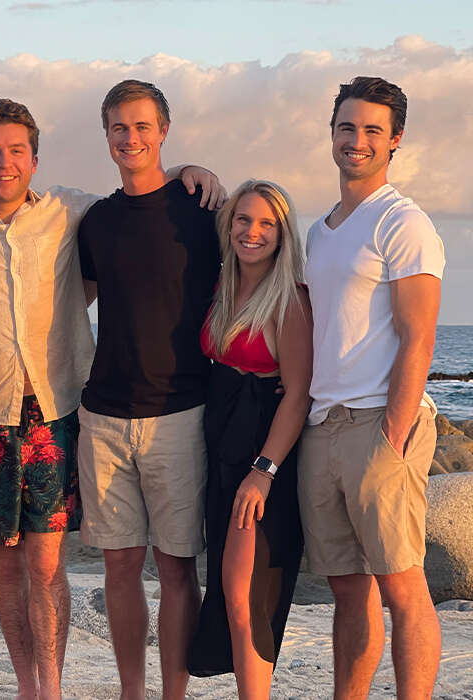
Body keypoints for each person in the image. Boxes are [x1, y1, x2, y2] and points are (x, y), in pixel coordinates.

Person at [0, 96, 225, 700]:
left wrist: (188, 170)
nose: (3, 162)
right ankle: (30, 687)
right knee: (7, 566)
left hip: (58, 408)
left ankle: (60, 689)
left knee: (50, 566)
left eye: (16, 150)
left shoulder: (72, 211)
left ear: (35, 158)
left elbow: (145, 193)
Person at [299, 76, 445, 699]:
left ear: (395, 141)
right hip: (322, 425)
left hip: (378, 424)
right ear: (332, 132)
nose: (357, 141)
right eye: (347, 127)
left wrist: (395, 430)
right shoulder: (320, 229)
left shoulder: (403, 222)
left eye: (372, 131)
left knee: (402, 585)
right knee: (345, 589)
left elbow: (420, 335)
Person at [76, 80, 222, 700]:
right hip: (103, 414)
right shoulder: (97, 221)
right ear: (106, 135)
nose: (129, 138)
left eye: (141, 126)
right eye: (118, 128)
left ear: (163, 130)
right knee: (118, 567)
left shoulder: (201, 208)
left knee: (177, 568)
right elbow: (67, 304)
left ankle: (173, 695)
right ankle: (131, 692)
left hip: (181, 413)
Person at [187, 180, 312, 698]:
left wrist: (263, 473)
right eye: (243, 220)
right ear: (228, 223)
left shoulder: (291, 300)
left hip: (261, 455)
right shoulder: (219, 287)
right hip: (220, 447)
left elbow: (298, 394)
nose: (252, 232)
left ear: (283, 235)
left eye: (266, 224)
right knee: (223, 588)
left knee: (247, 595)